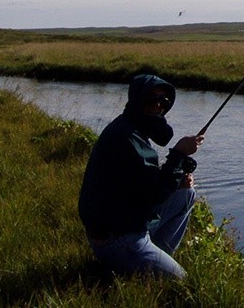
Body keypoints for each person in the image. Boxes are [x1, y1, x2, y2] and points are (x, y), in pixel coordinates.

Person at [78, 73, 204, 279]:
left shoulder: (131, 127)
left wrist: (177, 178)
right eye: (152, 98)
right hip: (118, 239)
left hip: (127, 221)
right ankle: (140, 265)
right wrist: (179, 154)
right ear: (137, 99)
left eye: (164, 101)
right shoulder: (126, 138)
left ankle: (154, 259)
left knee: (186, 194)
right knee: (182, 281)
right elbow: (153, 193)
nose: (158, 105)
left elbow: (144, 185)